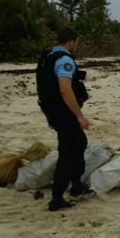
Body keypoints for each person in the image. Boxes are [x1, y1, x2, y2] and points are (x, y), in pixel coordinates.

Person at [36, 27, 92, 212]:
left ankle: (76, 184)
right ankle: (57, 198)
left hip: (52, 110)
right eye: (76, 42)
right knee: (67, 153)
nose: (76, 45)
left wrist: (50, 116)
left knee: (80, 142)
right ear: (70, 42)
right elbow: (65, 89)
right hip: (64, 112)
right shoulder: (64, 60)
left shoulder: (47, 57)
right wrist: (79, 116)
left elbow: (45, 88)